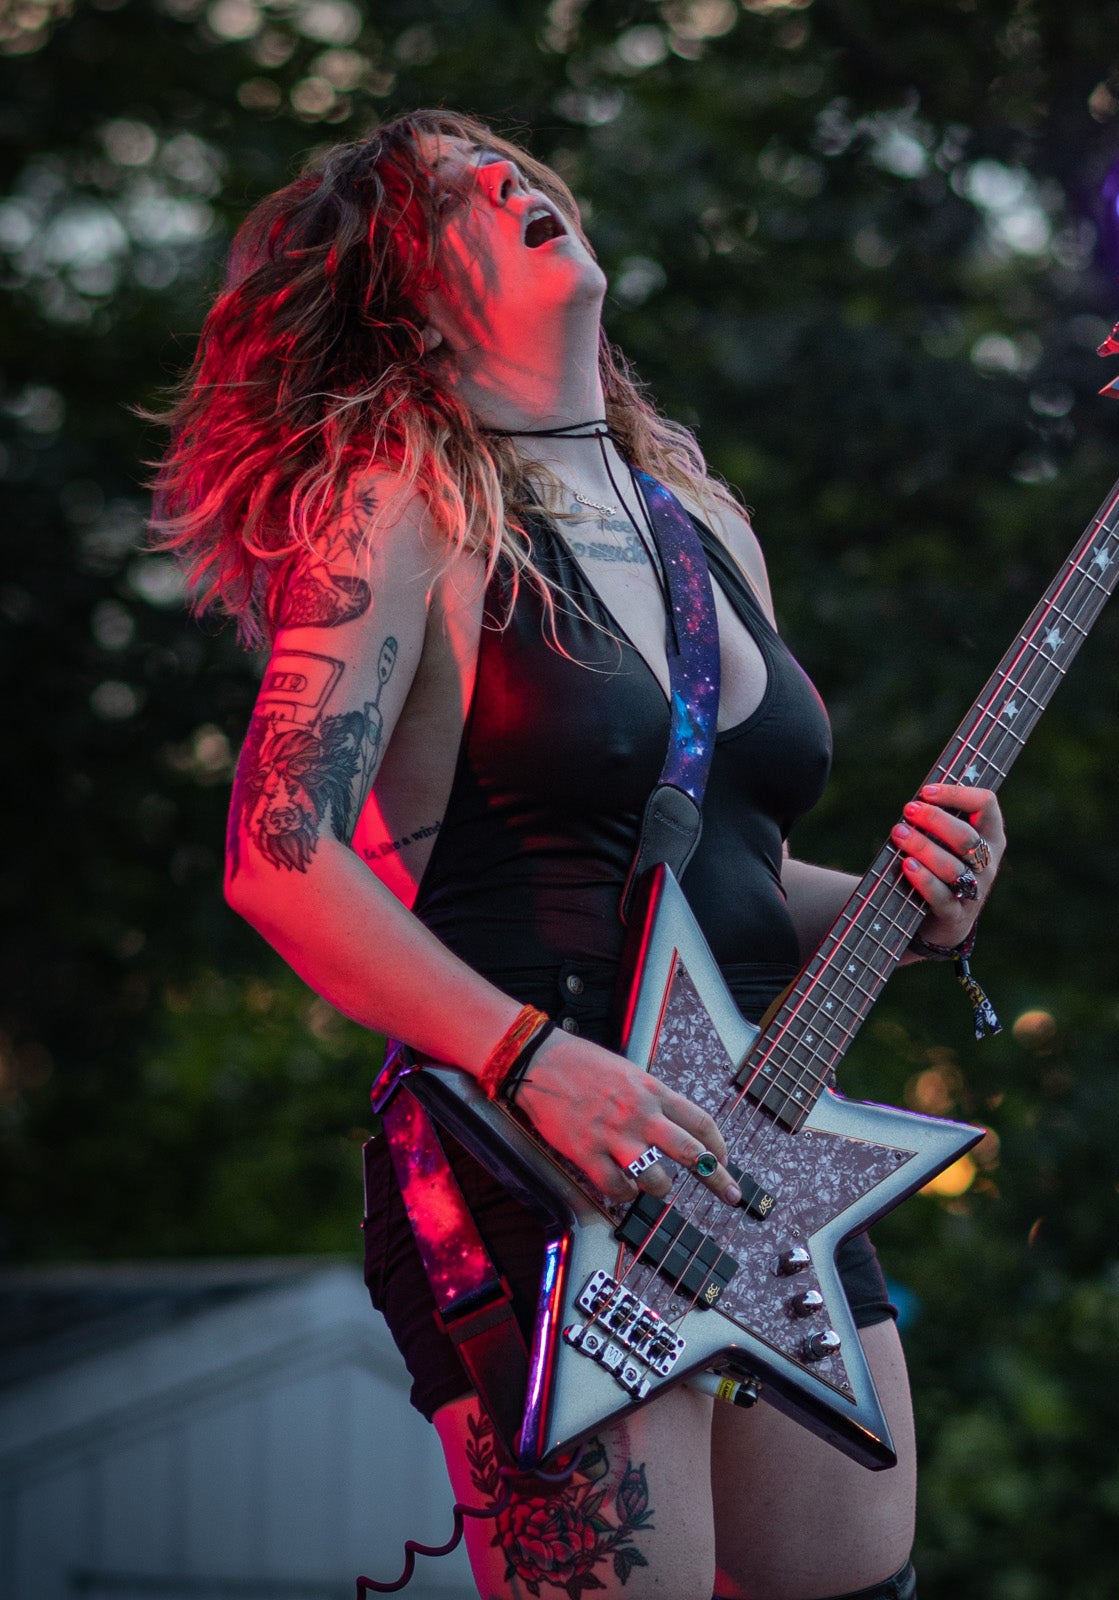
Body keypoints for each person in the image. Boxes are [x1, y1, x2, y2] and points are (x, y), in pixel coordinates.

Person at [152, 109, 1006, 1600]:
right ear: (411, 308)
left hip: (754, 1161)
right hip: (530, 1159)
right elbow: (278, 856)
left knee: (858, 1576)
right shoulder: (399, 505)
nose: (511, 181)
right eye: (456, 197)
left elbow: (732, 880)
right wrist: (528, 1057)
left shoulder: (707, 522)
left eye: (516, 170)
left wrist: (913, 908)